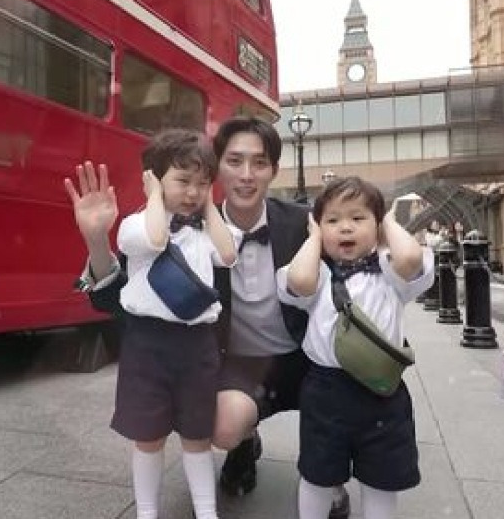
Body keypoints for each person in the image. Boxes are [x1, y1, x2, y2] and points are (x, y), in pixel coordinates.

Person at [63, 116, 352, 518]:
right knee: (220, 426)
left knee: (346, 392)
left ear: (274, 170)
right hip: (238, 366)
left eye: (259, 163)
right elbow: (116, 295)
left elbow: (355, 270)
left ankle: (328, 478)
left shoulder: (301, 223)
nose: (246, 174)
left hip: (303, 356)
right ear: (218, 169)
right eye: (234, 161)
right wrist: (96, 239)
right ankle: (244, 442)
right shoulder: (186, 225)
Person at [87, 129, 237, 519]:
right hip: (147, 346)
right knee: (148, 438)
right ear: (154, 178)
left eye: (202, 183)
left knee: (197, 437)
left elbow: (228, 254)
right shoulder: (135, 225)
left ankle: (207, 512)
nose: (193, 192)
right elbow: (155, 240)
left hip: (197, 345)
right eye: (183, 181)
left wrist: (209, 208)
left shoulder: (203, 231)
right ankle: (147, 513)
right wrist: (154, 196)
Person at [279, 177, 434, 519]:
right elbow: (299, 282)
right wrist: (314, 239)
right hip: (326, 390)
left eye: (358, 218)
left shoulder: (390, 272)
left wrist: (388, 221)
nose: (345, 227)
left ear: (377, 226)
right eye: (332, 220)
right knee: (317, 475)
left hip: (381, 391)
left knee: (382, 480)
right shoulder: (317, 273)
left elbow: (411, 257)